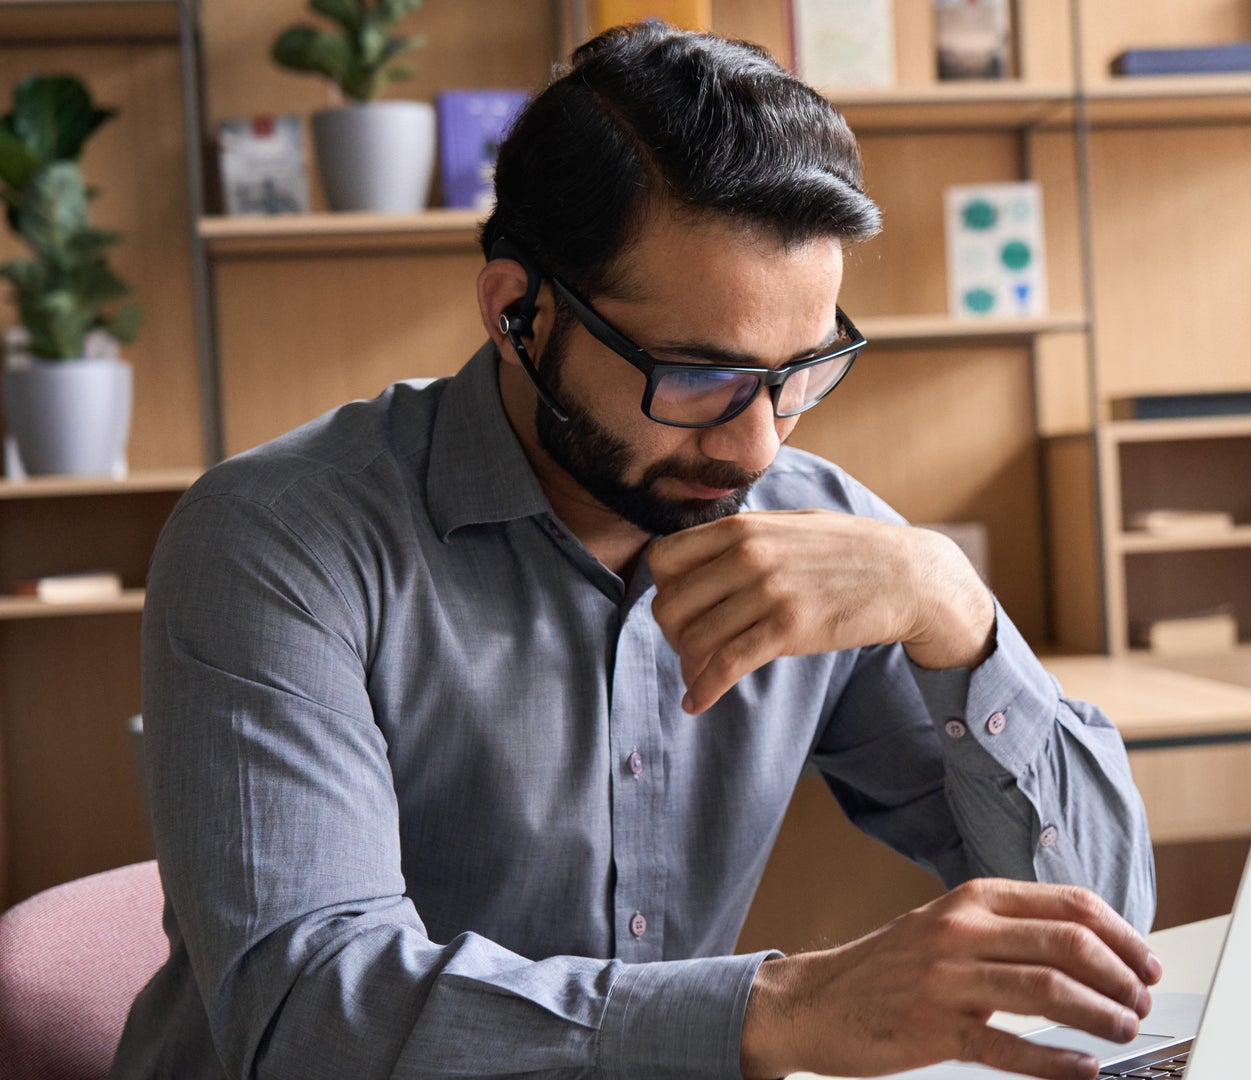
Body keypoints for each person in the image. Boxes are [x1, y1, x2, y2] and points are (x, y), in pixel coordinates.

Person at [114, 22, 1157, 1080]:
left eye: (801, 372)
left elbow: (1101, 932)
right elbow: (309, 1018)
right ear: (516, 311)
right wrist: (779, 1008)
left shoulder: (820, 532)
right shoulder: (278, 542)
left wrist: (956, 614)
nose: (758, 444)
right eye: (698, 377)